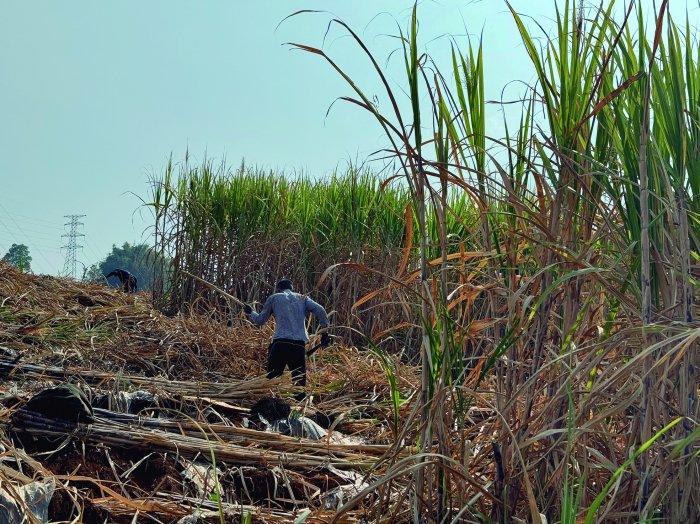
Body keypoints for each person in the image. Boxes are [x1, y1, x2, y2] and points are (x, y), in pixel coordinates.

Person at [244, 279, 330, 398]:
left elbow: (260, 320)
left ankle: (271, 408)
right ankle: (300, 409)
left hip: (280, 344)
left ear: (279, 288)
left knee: (271, 382)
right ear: (292, 288)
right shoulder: (302, 298)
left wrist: (250, 312)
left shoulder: (274, 298)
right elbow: (320, 310)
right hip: (298, 346)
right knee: (299, 384)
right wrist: (324, 333)